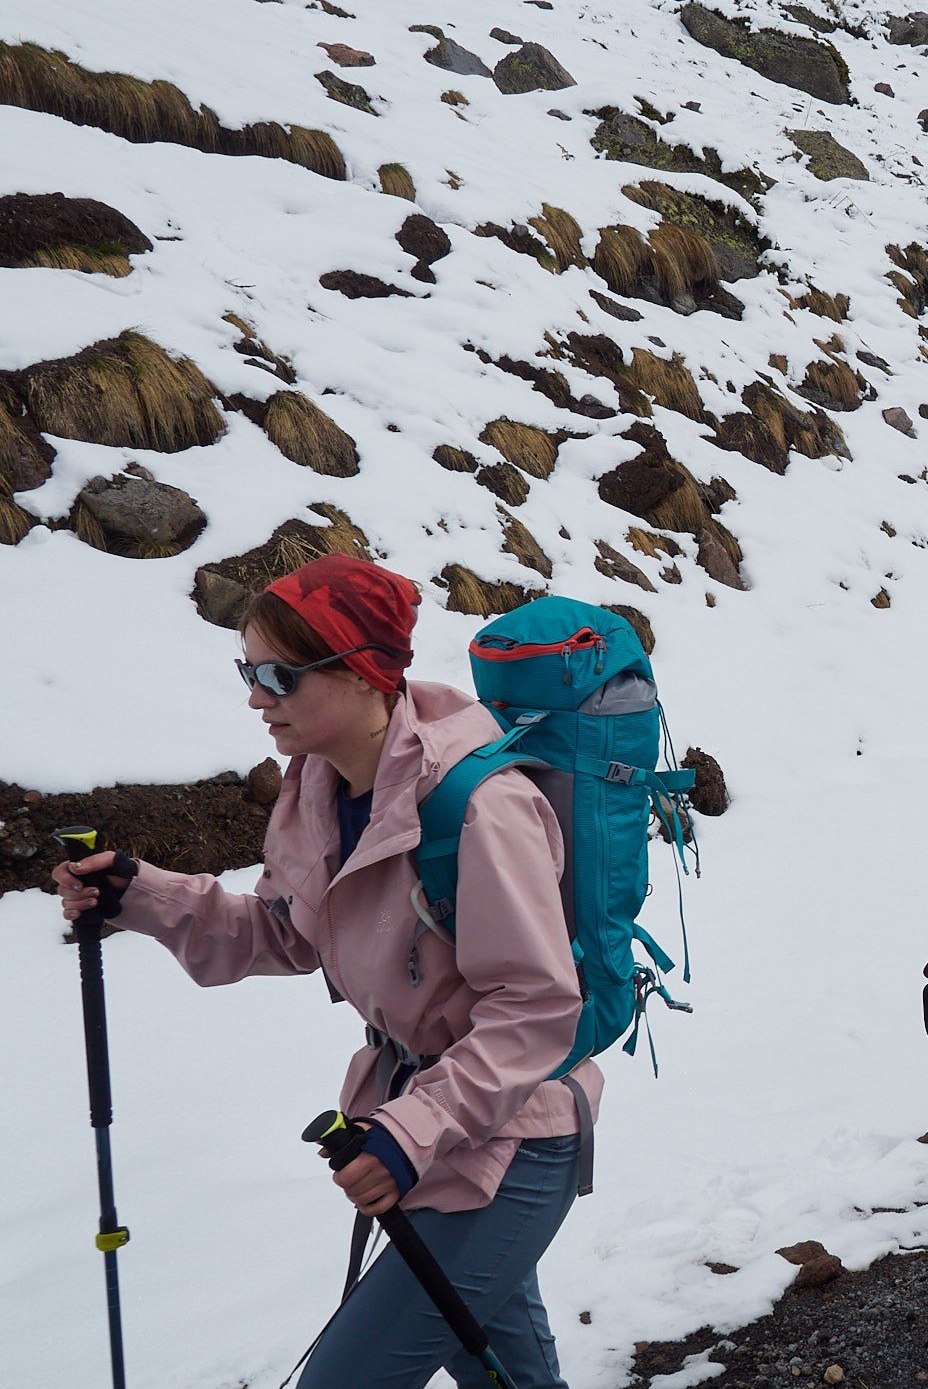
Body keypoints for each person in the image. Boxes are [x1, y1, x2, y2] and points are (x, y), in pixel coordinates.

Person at [52, 554, 590, 1389]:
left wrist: (409, 1134)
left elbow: (537, 1008)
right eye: (248, 670)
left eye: (278, 675)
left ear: (363, 673)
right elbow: (289, 932)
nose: (255, 697)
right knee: (507, 1374)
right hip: (427, 1123)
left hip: (512, 1132)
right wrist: (142, 895)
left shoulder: (480, 808)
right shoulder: (316, 786)